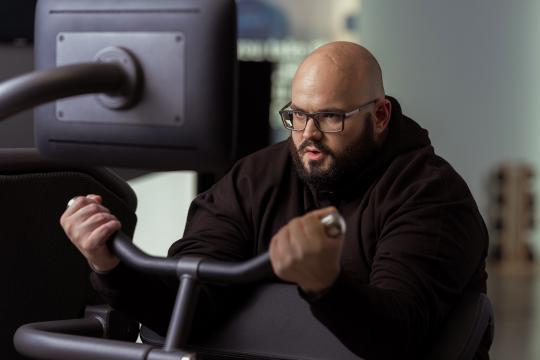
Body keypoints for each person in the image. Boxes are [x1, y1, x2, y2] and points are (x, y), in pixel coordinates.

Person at [60, 41, 489, 359]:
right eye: (298, 115)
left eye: (331, 117)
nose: (308, 135)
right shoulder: (255, 178)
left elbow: (400, 339)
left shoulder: (431, 196)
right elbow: (192, 303)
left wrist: (326, 285)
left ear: (379, 116)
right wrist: (109, 265)